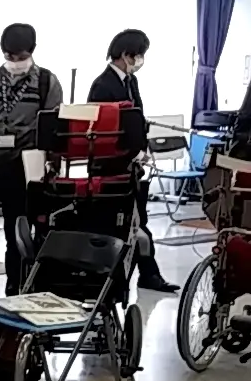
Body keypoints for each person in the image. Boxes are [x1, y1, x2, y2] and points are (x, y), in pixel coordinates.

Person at [0, 23, 63, 297]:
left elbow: (54, 128)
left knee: (16, 235)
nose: (14, 62)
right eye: (9, 56)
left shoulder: (46, 82)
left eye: (20, 56)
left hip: (24, 169)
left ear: (32, 51)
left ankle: (15, 290)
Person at [87, 29, 180, 293]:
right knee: (126, 222)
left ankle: (148, 274)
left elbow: (135, 118)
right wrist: (130, 152)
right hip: (111, 164)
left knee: (138, 221)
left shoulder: (131, 81)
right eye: (139, 55)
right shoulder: (102, 84)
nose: (140, 61)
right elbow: (105, 128)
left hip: (132, 164)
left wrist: (141, 150)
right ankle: (133, 276)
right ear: (125, 54)